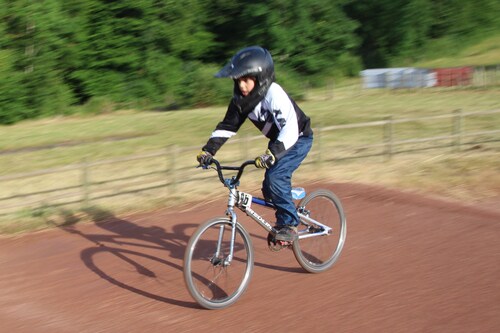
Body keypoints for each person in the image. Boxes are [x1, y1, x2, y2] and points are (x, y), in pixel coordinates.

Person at [197, 46, 313, 242]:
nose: (241, 85)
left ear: (260, 78)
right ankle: (286, 198)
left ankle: (288, 224)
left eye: (245, 80)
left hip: (298, 138)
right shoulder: (241, 101)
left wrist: (272, 153)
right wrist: (208, 151)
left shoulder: (274, 93)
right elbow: (227, 126)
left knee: (275, 177)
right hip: (279, 142)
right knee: (269, 187)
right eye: (237, 80)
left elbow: (290, 130)